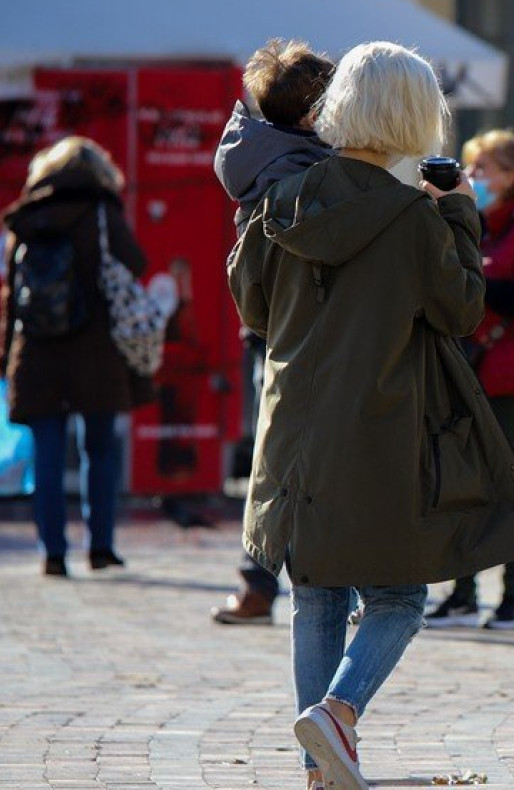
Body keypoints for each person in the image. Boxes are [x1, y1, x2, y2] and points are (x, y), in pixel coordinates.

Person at [227, 41, 514, 790]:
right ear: (415, 115)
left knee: (316, 594)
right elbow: (463, 310)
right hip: (380, 428)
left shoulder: (281, 198)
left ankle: (320, 771)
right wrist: (462, 213)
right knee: (400, 597)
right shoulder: (413, 217)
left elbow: (252, 305)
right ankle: (338, 713)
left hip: (294, 427)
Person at [423, 130, 514, 631]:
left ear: (513, 176)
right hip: (474, 367)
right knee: (463, 482)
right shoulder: (478, 221)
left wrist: (479, 285)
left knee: (507, 484)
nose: (474, 178)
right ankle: (463, 595)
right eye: (472, 168)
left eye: (484, 169)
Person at [211, 39, 335, 626]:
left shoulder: (257, 151)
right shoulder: (306, 169)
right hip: (307, 331)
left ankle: (259, 582)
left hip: (268, 329)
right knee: (292, 459)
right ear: (314, 113)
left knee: (275, 456)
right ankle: (273, 581)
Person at [0, 136, 154, 577]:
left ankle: (53, 553)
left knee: (46, 453)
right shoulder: (102, 212)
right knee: (98, 450)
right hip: (94, 351)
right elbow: (135, 262)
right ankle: (100, 547)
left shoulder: (25, 217)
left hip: (37, 353)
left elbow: (10, 296)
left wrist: (4, 358)